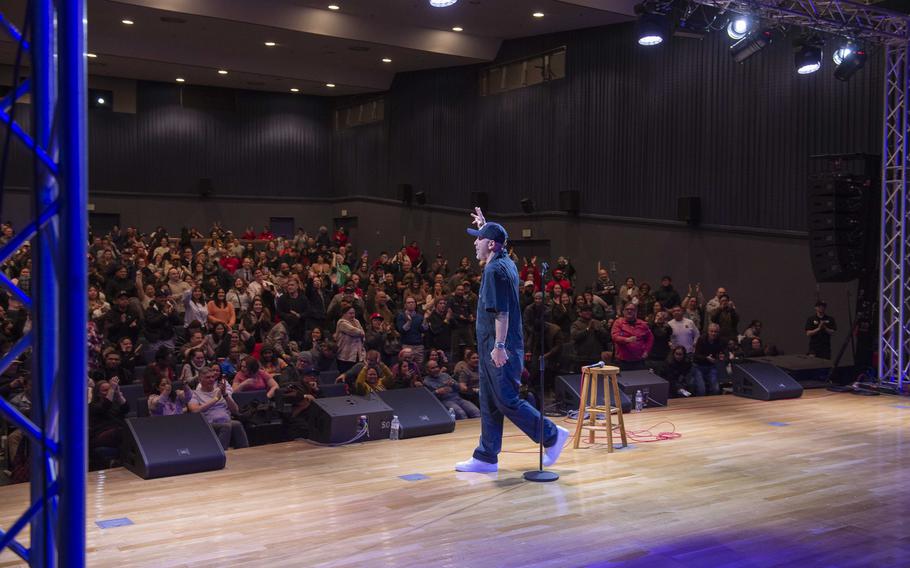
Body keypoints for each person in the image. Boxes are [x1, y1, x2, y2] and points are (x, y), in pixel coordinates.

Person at [454, 208, 568, 473]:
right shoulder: (503, 259)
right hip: (489, 345)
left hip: (499, 346)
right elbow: (498, 239)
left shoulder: (496, 271)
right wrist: (486, 224)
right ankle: (486, 456)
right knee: (490, 401)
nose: (475, 242)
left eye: (479, 238)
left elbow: (502, 312)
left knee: (505, 400)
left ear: (490, 244)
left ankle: (552, 435)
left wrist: (499, 346)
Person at [189, 366, 249, 450]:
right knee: (226, 427)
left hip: (226, 421)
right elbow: (195, 411)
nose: (211, 379)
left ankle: (244, 451)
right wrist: (215, 399)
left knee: (237, 424)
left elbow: (235, 410)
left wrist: (225, 395)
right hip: (208, 424)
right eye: (207, 377)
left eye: (212, 377)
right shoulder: (194, 394)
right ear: (200, 379)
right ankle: (221, 453)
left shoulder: (220, 391)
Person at [611, 303, 654, 371]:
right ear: (623, 311)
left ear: (636, 311)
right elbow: (614, 336)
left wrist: (646, 351)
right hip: (622, 360)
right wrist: (626, 339)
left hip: (638, 360)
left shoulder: (643, 324)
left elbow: (650, 338)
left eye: (632, 309)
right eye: (627, 309)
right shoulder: (618, 322)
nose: (629, 311)